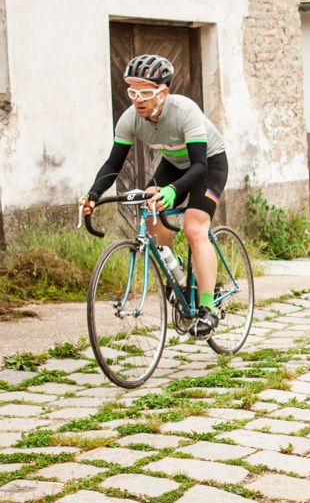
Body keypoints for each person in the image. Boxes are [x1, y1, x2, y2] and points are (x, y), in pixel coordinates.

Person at [81, 55, 229, 337]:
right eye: (132, 92)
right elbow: (113, 164)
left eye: (145, 92)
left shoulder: (185, 111)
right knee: (148, 207)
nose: (137, 99)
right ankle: (180, 278)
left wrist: (174, 190)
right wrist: (93, 194)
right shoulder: (130, 119)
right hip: (174, 163)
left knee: (195, 228)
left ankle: (208, 308)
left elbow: (198, 166)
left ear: (163, 93)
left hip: (208, 163)